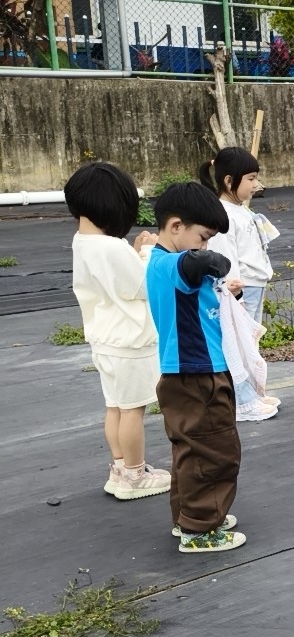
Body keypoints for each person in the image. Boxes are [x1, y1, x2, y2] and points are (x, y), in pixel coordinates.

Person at [145, 182, 246, 553]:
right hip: (197, 372)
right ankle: (201, 530)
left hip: (193, 371)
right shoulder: (169, 263)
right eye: (203, 237)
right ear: (175, 227)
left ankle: (188, 518)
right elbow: (199, 264)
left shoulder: (168, 264)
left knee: (192, 450)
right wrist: (217, 262)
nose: (205, 247)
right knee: (214, 451)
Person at [65, 161, 170, 502]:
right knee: (133, 411)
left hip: (104, 339)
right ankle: (136, 476)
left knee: (115, 407)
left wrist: (134, 252)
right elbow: (142, 286)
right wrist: (150, 251)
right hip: (129, 341)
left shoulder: (83, 241)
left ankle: (122, 469)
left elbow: (115, 280)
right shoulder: (112, 247)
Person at [202, 146, 279, 422]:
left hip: (254, 285)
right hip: (240, 290)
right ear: (228, 181)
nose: (255, 184)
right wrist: (236, 295)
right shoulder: (224, 214)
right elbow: (226, 258)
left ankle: (253, 393)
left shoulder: (240, 209)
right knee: (239, 345)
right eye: (250, 178)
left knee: (251, 343)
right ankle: (243, 400)